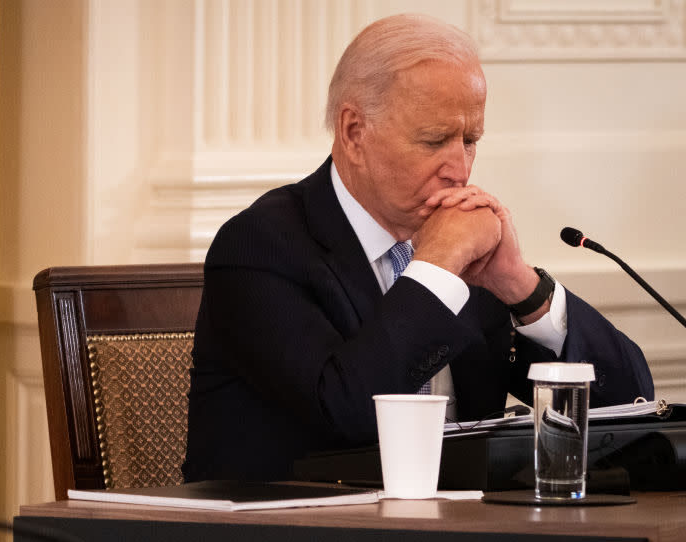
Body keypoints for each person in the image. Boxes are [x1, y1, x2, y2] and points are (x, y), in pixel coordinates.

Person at [182, 13, 653, 482]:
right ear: (353, 132)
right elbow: (349, 415)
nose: (460, 169)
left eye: (470, 140)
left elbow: (633, 405)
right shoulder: (260, 247)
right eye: (434, 140)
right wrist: (436, 267)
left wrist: (520, 287)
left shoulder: (466, 251)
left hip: (459, 537)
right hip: (290, 539)